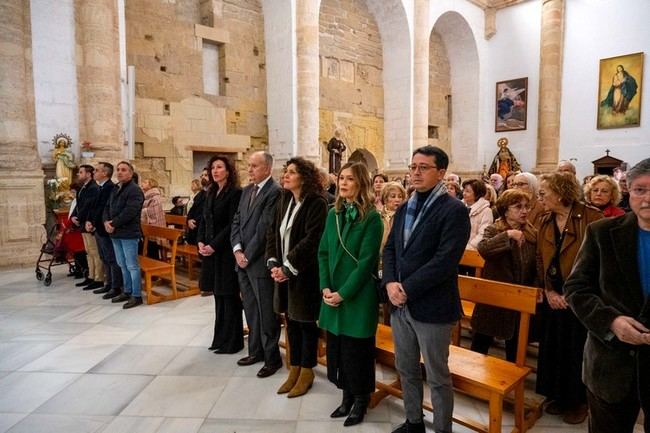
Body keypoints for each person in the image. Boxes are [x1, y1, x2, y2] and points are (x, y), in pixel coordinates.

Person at [382, 146, 470, 433]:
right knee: (406, 368)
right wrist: (391, 283)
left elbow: (445, 261)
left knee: (437, 376)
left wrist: (406, 288)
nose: (415, 173)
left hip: (432, 306)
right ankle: (414, 422)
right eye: (413, 167)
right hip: (400, 304)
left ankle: (443, 429)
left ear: (441, 172)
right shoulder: (405, 206)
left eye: (423, 167)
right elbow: (391, 249)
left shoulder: (454, 210)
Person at [564, 158, 650, 433]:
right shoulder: (602, 232)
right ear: (628, 192)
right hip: (611, 364)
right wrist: (611, 322)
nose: (647, 198)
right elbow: (576, 288)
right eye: (639, 190)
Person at [318, 162, 383, 427]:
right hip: (332, 294)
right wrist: (325, 287)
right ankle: (345, 396)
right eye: (341, 178)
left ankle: (360, 400)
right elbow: (323, 253)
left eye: (350, 179)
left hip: (357, 296)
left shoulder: (371, 218)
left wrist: (343, 293)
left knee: (358, 351)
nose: (343, 183)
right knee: (339, 350)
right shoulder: (332, 214)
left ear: (362, 184)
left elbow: (367, 262)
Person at [535, 172, 603, 424]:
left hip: (582, 296)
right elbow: (541, 259)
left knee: (577, 350)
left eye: (544, 193)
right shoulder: (545, 220)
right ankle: (559, 395)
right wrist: (549, 291)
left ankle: (579, 401)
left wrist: (574, 295)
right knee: (554, 347)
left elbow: (599, 262)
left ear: (561, 194)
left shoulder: (592, 218)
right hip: (554, 294)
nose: (539, 197)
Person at [266, 157, 328, 398]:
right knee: (290, 320)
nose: (286, 176)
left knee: (305, 324)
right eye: (286, 172)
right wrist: (273, 262)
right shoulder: (284, 199)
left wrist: (288, 267)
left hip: (305, 274)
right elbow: (272, 231)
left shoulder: (317, 202)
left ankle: (307, 371)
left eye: (292, 172)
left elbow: (312, 240)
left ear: (304, 176)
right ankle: (294, 368)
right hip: (284, 272)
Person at [470, 189, 538, 362]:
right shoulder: (494, 229)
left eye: (526, 207)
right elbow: (484, 249)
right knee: (481, 343)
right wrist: (507, 235)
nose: (524, 211)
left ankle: (509, 380)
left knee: (514, 345)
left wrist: (537, 287)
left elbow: (538, 263)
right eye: (518, 207)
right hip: (494, 296)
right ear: (505, 210)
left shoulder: (532, 232)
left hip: (519, 296)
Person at [231, 151, 282, 377]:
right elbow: (237, 221)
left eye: (254, 166)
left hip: (259, 262)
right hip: (242, 260)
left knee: (266, 313)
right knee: (251, 309)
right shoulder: (246, 191)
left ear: (268, 169)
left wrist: (247, 255)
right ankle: (256, 351)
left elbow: (264, 228)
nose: (249, 170)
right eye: (249, 166)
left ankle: (272, 359)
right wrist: (236, 249)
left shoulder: (274, 192)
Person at [198, 155, 243, 354]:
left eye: (219, 167)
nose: (215, 171)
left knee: (229, 295)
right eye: (212, 168)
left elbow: (232, 224)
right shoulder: (211, 192)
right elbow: (204, 219)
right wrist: (200, 240)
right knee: (218, 295)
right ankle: (220, 338)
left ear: (228, 170)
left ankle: (233, 342)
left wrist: (214, 245)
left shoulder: (235, 193)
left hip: (225, 251)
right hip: (211, 252)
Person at [104, 161, 145, 309]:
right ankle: (127, 291)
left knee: (132, 265)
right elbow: (107, 207)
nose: (120, 172)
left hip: (128, 233)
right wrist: (105, 222)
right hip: (115, 233)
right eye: (118, 170)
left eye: (124, 170)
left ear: (131, 173)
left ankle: (136, 295)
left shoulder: (135, 190)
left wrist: (112, 223)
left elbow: (130, 212)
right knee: (122, 264)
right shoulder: (116, 188)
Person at [86, 162, 123, 300]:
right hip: (98, 227)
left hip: (104, 228)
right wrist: (89, 221)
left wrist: (95, 223)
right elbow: (93, 207)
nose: (94, 172)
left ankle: (115, 286)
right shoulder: (100, 187)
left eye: (96, 170)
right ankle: (108, 283)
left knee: (111, 258)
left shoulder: (109, 187)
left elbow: (104, 208)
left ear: (105, 173)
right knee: (104, 257)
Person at [71, 165, 103, 291]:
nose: (79, 174)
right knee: (88, 252)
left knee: (95, 252)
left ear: (89, 174)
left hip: (89, 223)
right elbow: (78, 205)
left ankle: (98, 278)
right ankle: (90, 276)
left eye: (81, 172)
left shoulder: (94, 188)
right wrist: (74, 216)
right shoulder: (82, 188)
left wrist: (79, 217)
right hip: (83, 222)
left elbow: (90, 206)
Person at [462, 179, 493, 250]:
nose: (464, 193)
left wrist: (469, 247)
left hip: (473, 251)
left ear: (477, 194)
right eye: (464, 190)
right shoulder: (460, 207)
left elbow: (483, 234)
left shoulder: (486, 211)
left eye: (467, 191)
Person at [140, 178, 166, 260]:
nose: (142, 183)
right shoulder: (147, 196)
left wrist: (140, 211)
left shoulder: (155, 196)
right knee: (148, 246)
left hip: (155, 225)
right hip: (148, 225)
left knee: (153, 246)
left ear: (151, 185)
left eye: (145, 182)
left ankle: (155, 265)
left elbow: (153, 211)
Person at [186, 168, 208, 246]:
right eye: (201, 175)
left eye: (206, 175)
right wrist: (189, 219)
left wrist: (195, 221)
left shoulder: (211, 193)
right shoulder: (200, 194)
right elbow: (192, 209)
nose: (203, 177)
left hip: (202, 227)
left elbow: (205, 212)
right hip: (194, 227)